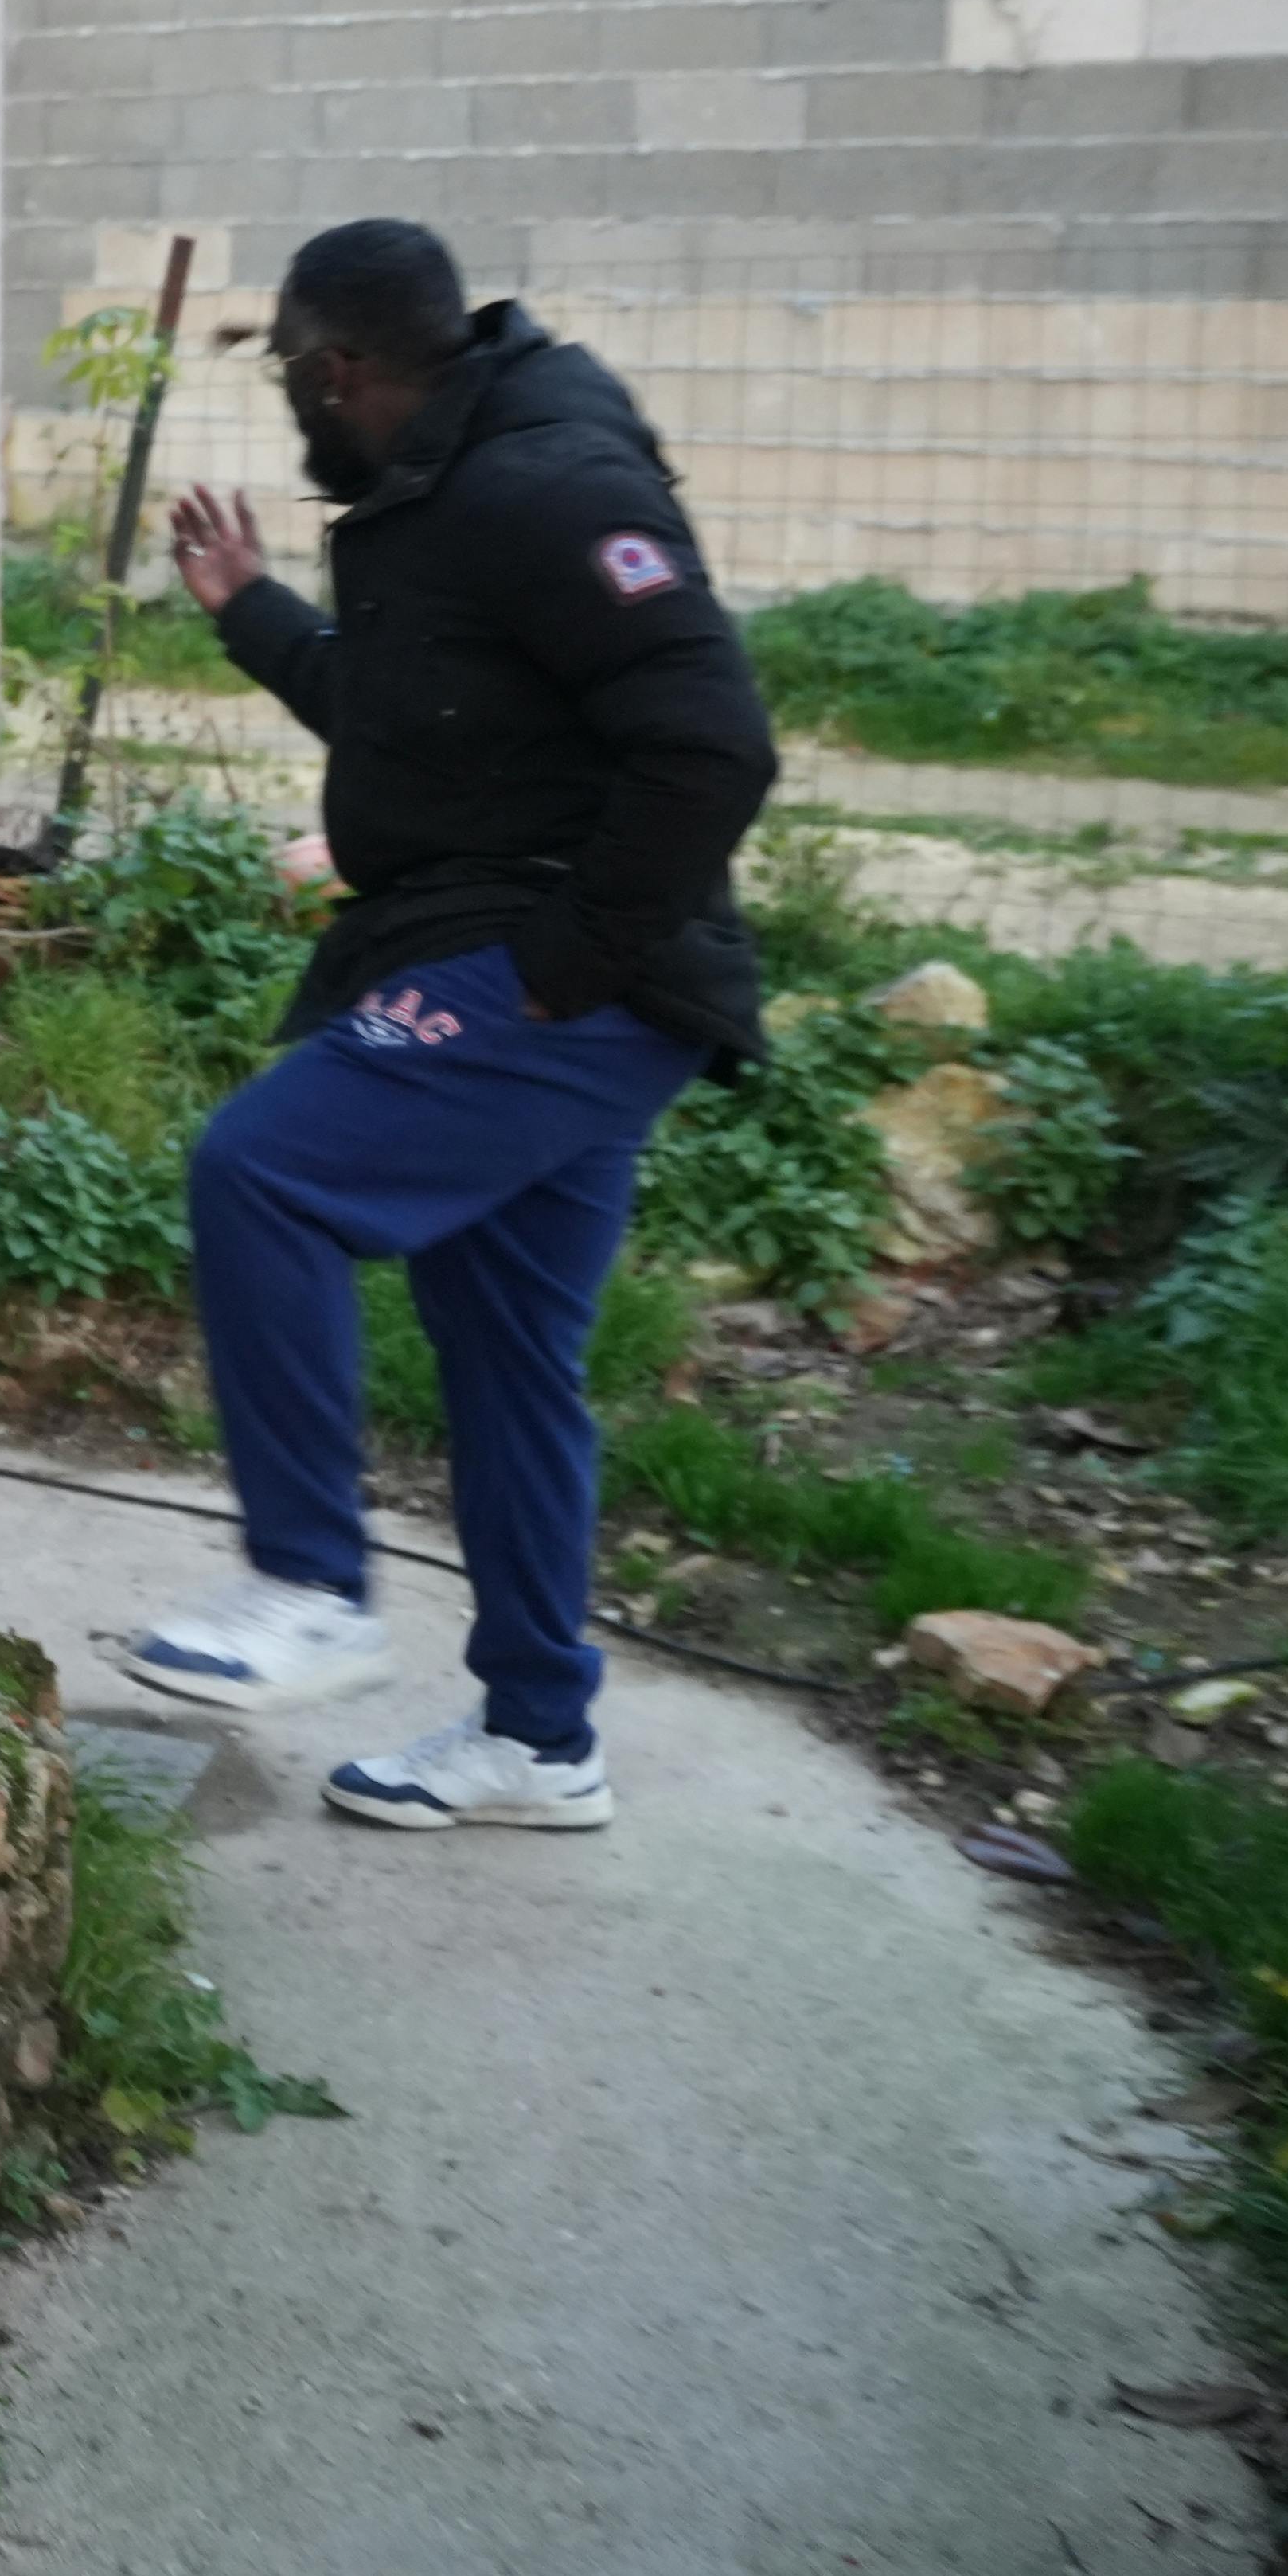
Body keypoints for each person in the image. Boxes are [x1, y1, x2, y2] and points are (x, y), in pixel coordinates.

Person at [115, 220, 779, 1832]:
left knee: (263, 1170)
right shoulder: (445, 485)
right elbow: (425, 722)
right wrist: (257, 610)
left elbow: (713, 744)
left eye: (285, 371)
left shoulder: (548, 486)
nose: (287, 401)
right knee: (507, 1362)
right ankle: (542, 1738)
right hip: (533, 952)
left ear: (340, 369)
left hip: (558, 965)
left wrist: (564, 966)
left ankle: (308, 1585)